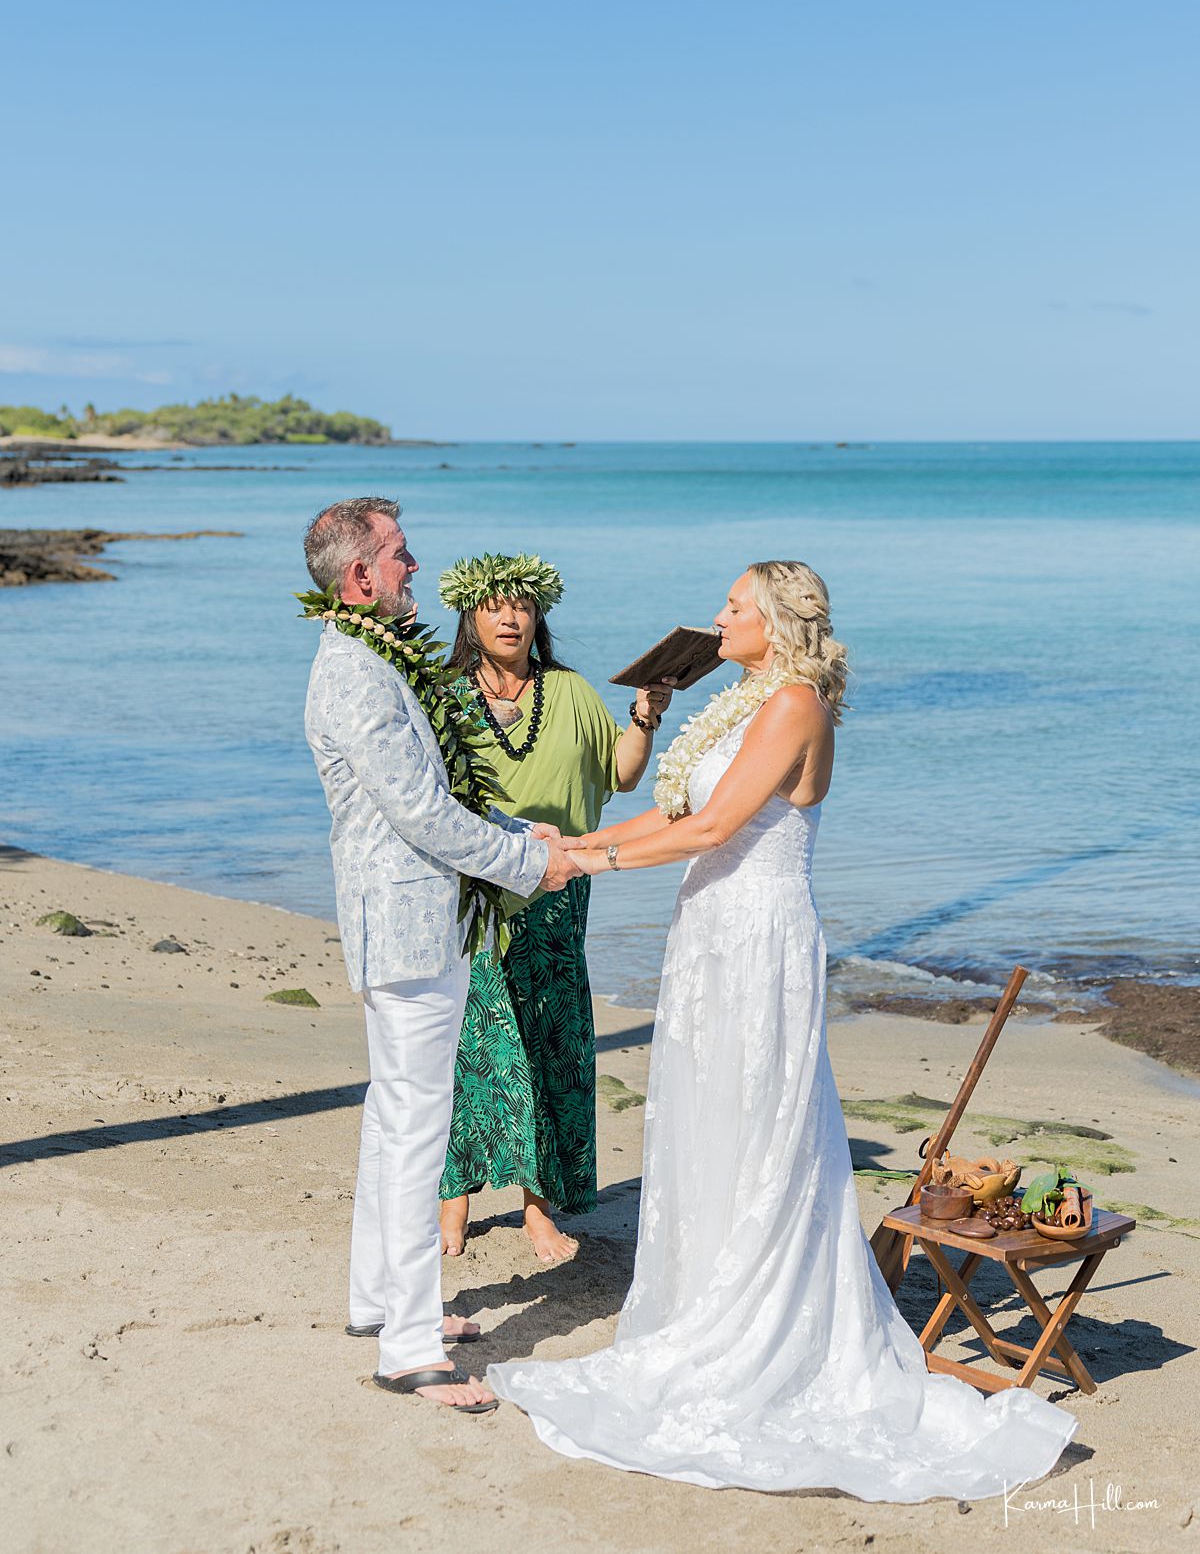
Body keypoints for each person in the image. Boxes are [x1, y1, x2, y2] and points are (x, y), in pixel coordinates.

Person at [487, 562, 1078, 1497]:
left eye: (732, 606)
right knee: (708, 1122)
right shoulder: (750, 696)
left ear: (774, 622)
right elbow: (675, 817)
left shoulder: (796, 702)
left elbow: (713, 825)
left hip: (758, 939)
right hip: (710, 930)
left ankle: (757, 1328)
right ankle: (698, 1303)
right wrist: (571, 847)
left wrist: (576, 861)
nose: (715, 616)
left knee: (762, 1129)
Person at [302, 497, 580, 1416]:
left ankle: (379, 1299)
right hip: (410, 927)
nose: (415, 566)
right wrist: (529, 865)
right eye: (400, 554)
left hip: (417, 921)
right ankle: (411, 1349)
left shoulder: (375, 658)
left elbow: (431, 792)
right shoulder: (354, 672)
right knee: (418, 1125)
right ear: (360, 579)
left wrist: (515, 827)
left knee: (395, 1116)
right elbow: (419, 814)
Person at [436, 552, 675, 1263]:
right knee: (471, 1047)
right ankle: (455, 1199)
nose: (511, 617)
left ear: (538, 618)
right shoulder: (445, 695)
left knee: (549, 1045)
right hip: (474, 896)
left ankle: (538, 1209)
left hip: (559, 892)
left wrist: (645, 715)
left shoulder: (568, 692)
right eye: (495, 606)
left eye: (523, 606)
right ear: (471, 616)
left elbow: (623, 775)